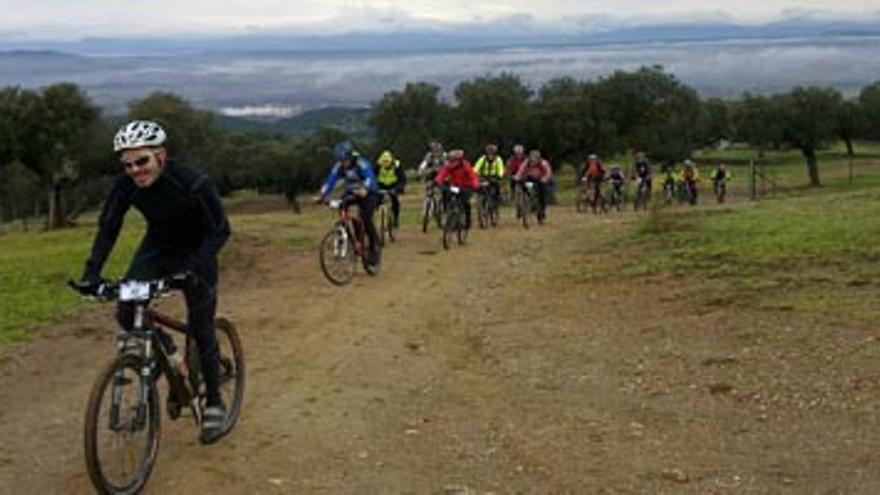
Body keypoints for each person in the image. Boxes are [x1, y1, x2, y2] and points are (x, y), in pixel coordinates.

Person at [77, 120, 231, 444]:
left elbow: (220, 231)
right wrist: (92, 273)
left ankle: (214, 401)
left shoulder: (193, 183)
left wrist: (193, 267)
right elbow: (109, 226)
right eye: (128, 164)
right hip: (158, 248)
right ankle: (167, 350)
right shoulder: (125, 185)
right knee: (126, 309)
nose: (135, 170)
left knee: (201, 327)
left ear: (161, 154)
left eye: (142, 161)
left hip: (197, 251)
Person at [316, 140, 381, 265]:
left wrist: (365, 189)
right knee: (343, 208)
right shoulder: (339, 166)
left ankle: (374, 247)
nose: (343, 163)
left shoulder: (361, 163)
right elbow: (330, 180)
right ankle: (353, 239)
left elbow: (369, 177)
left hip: (369, 192)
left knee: (366, 218)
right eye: (341, 160)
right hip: (351, 192)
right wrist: (322, 195)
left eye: (345, 160)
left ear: (351, 156)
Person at [433, 149, 480, 229]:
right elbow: (442, 174)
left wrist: (475, 186)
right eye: (451, 161)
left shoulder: (466, 166)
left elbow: (473, 177)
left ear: (460, 161)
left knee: (466, 203)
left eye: (454, 161)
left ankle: (467, 222)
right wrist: (437, 181)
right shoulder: (449, 166)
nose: (452, 163)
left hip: (466, 187)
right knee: (445, 192)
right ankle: (447, 211)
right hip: (455, 187)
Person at [514, 150, 554, 221]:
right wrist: (518, 176)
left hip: (540, 180)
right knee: (529, 189)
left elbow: (548, 172)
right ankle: (529, 202)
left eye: (535, 159)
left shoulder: (543, 163)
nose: (533, 162)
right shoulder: (526, 163)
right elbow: (521, 170)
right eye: (532, 160)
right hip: (530, 180)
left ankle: (541, 211)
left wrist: (545, 179)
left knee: (541, 196)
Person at [375, 150, 407, 228]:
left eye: (388, 164)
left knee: (395, 200)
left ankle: (396, 219)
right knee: (375, 199)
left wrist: (398, 189)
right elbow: (372, 176)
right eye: (384, 164)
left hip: (394, 185)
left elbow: (402, 179)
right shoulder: (378, 165)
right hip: (381, 184)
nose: (386, 166)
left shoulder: (397, 165)